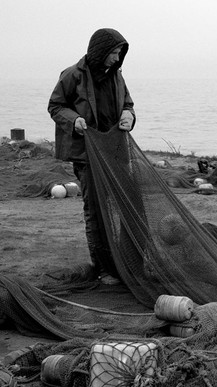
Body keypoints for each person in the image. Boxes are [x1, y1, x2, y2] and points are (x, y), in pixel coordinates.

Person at [48, 28, 136, 285]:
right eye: (114, 52)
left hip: (115, 151)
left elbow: (128, 104)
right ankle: (104, 267)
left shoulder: (117, 76)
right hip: (86, 155)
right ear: (100, 52)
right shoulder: (72, 75)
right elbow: (55, 106)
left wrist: (129, 115)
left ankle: (130, 260)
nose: (118, 56)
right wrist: (73, 119)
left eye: (120, 52)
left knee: (130, 203)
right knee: (96, 211)